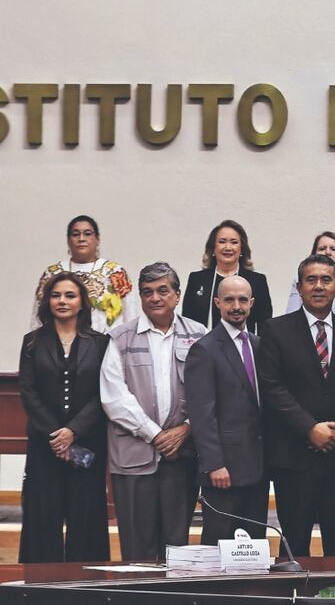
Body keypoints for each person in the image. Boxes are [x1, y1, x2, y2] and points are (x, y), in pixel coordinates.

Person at [257, 254, 335, 557]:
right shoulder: (275, 330)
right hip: (293, 456)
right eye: (311, 280)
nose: (319, 286)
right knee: (294, 546)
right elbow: (271, 387)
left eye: (326, 280)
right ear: (300, 287)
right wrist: (309, 428)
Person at [99, 262, 206, 561]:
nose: (155, 298)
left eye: (163, 290)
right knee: (138, 550)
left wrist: (187, 427)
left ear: (177, 295)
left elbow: (210, 391)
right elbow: (114, 397)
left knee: (176, 548)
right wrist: (156, 434)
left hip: (182, 455)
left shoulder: (199, 334)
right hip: (133, 457)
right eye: (147, 292)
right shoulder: (119, 337)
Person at [18, 272, 110, 563]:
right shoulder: (32, 342)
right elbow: (29, 392)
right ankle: (41, 582)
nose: (62, 301)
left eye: (70, 295)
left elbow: (104, 392)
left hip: (87, 444)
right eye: (56, 295)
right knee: (42, 516)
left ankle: (86, 582)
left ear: (82, 302)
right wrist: (57, 436)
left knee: (86, 517)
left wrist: (73, 431)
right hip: (44, 445)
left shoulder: (100, 343)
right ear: (47, 301)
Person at [186, 275, 268, 545]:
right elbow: (201, 414)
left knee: (253, 548)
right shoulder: (204, 349)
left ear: (252, 303)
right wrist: (214, 464)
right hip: (223, 471)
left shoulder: (259, 345)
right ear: (217, 302)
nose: (236, 306)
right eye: (229, 300)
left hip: (257, 468)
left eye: (242, 300)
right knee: (219, 546)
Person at [31, 215, 137, 333]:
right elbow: (38, 316)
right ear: (68, 240)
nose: (81, 239)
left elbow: (130, 314)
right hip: (59, 342)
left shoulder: (114, 272)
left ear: (97, 239)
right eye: (75, 234)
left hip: (109, 342)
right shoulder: (53, 272)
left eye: (87, 234)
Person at [182, 220, 273, 334]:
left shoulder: (257, 281)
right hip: (203, 344)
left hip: (243, 344)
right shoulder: (196, 279)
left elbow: (264, 326)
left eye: (234, 242)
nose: (228, 247)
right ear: (213, 248)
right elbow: (187, 322)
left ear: (241, 248)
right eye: (222, 242)